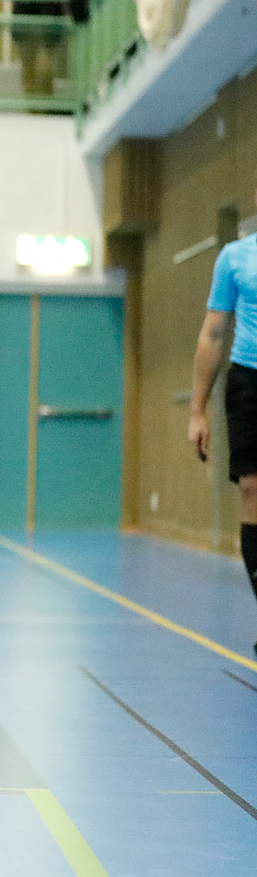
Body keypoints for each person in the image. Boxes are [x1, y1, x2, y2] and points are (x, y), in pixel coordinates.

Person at [189, 197, 257, 656]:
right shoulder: (236, 257)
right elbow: (213, 333)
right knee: (252, 489)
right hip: (249, 381)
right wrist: (197, 409)